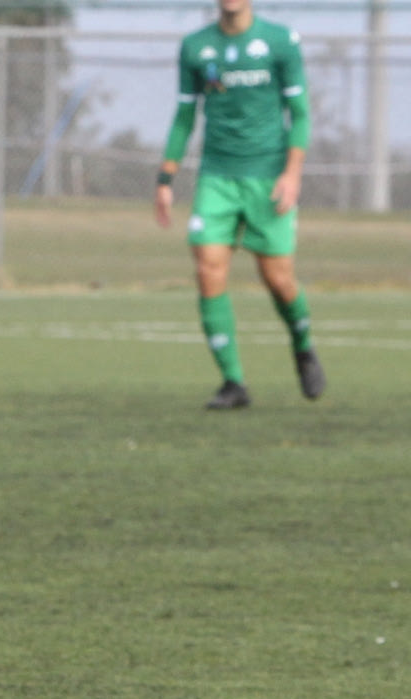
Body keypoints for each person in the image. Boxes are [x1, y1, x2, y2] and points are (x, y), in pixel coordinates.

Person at [154, 0, 325, 410]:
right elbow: (184, 115)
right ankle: (233, 382)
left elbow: (300, 115)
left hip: (268, 177)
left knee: (278, 280)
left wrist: (292, 174)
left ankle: (302, 344)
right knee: (208, 268)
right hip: (217, 177)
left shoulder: (280, 42)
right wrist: (165, 177)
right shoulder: (196, 47)